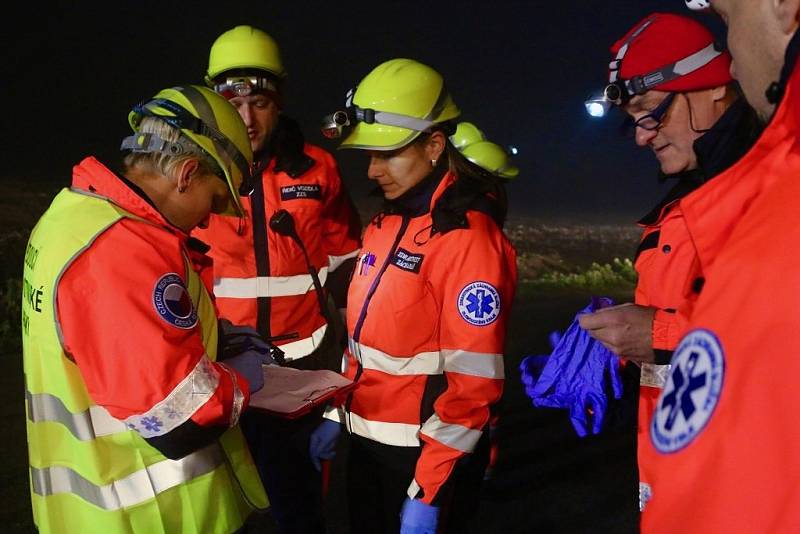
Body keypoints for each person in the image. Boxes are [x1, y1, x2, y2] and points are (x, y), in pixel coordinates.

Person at [21, 85, 271, 533]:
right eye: (214, 200)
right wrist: (243, 375)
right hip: (153, 517)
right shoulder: (121, 250)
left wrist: (213, 340)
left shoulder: (71, 218)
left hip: (92, 511)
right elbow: (181, 421)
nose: (210, 219)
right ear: (187, 173)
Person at [311, 58, 517, 533]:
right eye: (370, 154)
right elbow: (365, 346)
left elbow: (473, 386)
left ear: (434, 146)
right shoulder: (385, 225)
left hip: (422, 459)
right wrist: (333, 412)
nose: (374, 168)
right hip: (364, 447)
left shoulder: (466, 240)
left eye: (388, 154)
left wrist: (429, 490)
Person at [574, 12, 759, 513]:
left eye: (651, 111)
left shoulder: (773, 191)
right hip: (679, 473)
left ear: (713, 88)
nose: (641, 136)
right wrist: (616, 350)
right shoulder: (682, 207)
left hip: (748, 485)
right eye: (633, 120)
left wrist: (657, 335)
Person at [194, 25, 362, 533]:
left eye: (260, 102)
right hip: (224, 372)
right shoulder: (194, 175)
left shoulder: (319, 170)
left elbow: (350, 265)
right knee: (228, 509)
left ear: (280, 101)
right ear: (211, 100)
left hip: (302, 372)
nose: (246, 118)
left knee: (300, 508)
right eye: (231, 100)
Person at [640, 0, 800, 530]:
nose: (729, 59)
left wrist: (657, 334)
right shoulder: (710, 199)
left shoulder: (765, 198)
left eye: (652, 109)